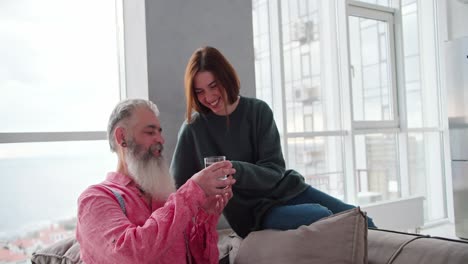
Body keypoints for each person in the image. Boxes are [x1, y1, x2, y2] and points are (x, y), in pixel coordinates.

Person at [170, 46, 376, 239]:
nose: (209, 97)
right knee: (321, 214)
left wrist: (235, 170)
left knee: (362, 220)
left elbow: (274, 170)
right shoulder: (193, 129)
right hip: (254, 213)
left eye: (213, 86)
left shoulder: (258, 111)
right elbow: (177, 187)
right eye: (199, 91)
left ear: (226, 78)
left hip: (288, 189)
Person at [76, 98, 236, 264]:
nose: (161, 140)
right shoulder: (94, 199)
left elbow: (200, 260)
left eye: (160, 132)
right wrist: (192, 191)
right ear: (121, 136)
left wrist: (206, 215)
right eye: (150, 132)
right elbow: (128, 255)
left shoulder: (167, 200)